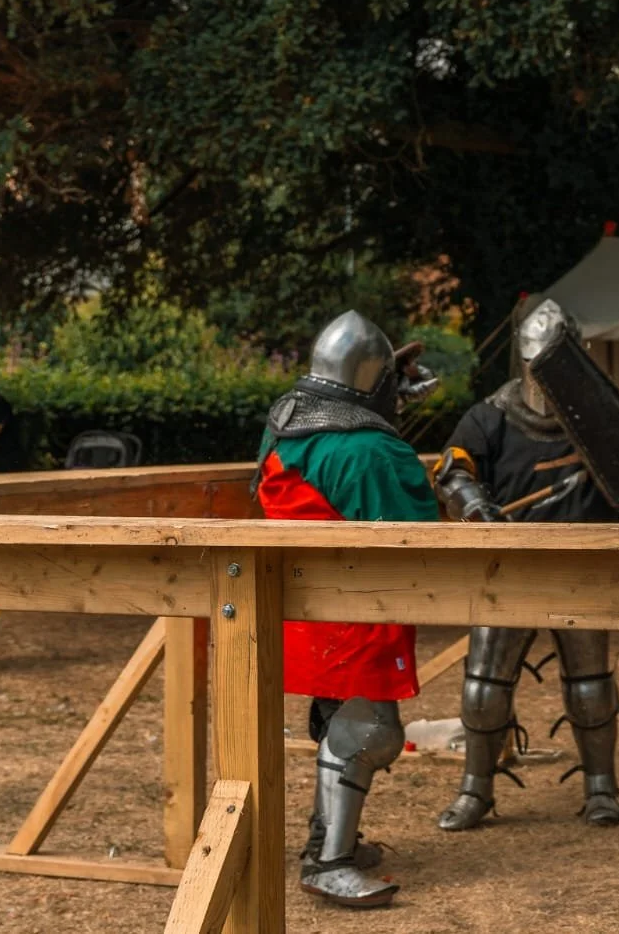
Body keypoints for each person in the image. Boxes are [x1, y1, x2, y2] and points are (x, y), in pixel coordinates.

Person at [432, 297, 619, 832]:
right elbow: (452, 470)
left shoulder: (599, 418)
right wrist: (474, 504)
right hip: (507, 569)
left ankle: (601, 787)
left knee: (590, 682)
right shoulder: (490, 416)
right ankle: (476, 790)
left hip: (580, 568)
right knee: (485, 686)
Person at [253, 311, 439, 908]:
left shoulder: (284, 428)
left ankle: (328, 840)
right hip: (358, 606)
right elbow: (415, 537)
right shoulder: (370, 449)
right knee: (368, 729)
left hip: (302, 603)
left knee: (345, 719)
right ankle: (328, 860)